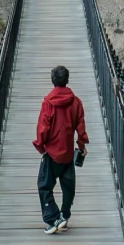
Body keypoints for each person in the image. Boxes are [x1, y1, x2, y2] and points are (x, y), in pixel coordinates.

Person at [33, 65, 88, 234]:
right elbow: (80, 124)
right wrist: (81, 144)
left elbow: (43, 128)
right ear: (67, 80)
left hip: (52, 152)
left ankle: (53, 218)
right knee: (68, 185)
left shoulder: (48, 103)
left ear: (52, 81)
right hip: (68, 151)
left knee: (44, 186)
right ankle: (64, 214)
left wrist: (40, 146)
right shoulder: (76, 101)